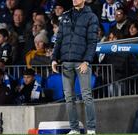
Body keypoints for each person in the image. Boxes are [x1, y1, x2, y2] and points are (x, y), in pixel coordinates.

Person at [51, 0, 98, 134]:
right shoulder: (65, 16)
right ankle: (74, 129)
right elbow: (59, 39)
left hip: (81, 63)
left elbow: (92, 42)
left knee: (86, 95)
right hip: (66, 62)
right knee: (69, 98)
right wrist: (54, 58)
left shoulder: (91, 17)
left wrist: (87, 61)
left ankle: (91, 129)